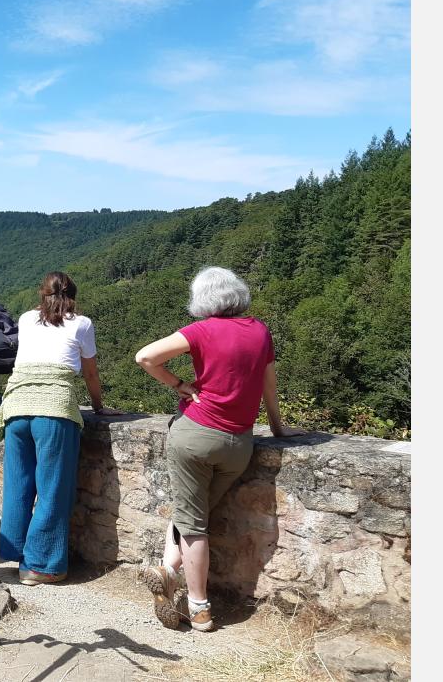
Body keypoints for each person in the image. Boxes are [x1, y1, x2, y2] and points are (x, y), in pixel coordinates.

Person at [134, 266, 304, 632]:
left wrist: (179, 384)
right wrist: (276, 428)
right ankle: (166, 571)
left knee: (194, 525)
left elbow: (145, 357)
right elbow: (268, 385)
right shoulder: (260, 331)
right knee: (189, 511)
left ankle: (199, 608)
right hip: (239, 443)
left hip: (195, 434)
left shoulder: (201, 330)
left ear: (202, 300)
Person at [0, 271, 121, 586]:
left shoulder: (26, 319)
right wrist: (99, 407)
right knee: (52, 490)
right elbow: (90, 374)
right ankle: (41, 566)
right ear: (73, 296)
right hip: (53, 409)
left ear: (41, 295)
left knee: (19, 484)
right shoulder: (82, 324)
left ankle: (15, 551)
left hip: (17, 406)